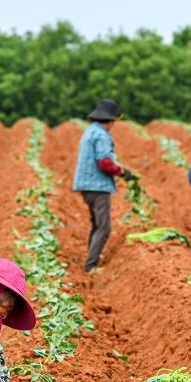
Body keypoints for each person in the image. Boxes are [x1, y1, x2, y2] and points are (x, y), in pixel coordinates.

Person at [72, 99, 135, 273]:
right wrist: (122, 172)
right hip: (98, 186)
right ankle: (91, 265)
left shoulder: (89, 131)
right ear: (111, 120)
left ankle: (91, 258)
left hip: (85, 185)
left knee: (96, 224)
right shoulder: (102, 135)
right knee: (105, 227)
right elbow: (105, 163)